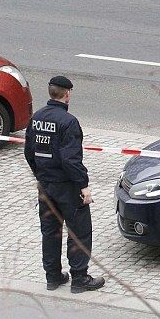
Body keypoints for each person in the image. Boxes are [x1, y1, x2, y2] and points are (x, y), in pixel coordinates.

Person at [24, 76, 105, 294]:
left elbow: (29, 152)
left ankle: (53, 277)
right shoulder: (68, 122)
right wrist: (83, 186)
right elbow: (70, 160)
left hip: (46, 185)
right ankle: (79, 279)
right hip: (67, 187)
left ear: (51, 92)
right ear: (67, 93)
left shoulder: (37, 118)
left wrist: (40, 175)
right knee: (79, 231)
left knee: (50, 232)